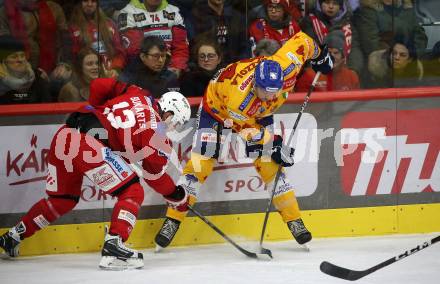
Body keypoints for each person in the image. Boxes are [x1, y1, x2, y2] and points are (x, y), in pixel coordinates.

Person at [154, 31, 334, 250]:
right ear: (254, 84)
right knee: (201, 163)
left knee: (270, 166)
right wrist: (275, 144)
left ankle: (294, 219)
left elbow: (304, 41)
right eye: (264, 92)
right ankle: (173, 219)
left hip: (258, 114)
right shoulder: (238, 100)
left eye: (274, 92)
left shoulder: (285, 66)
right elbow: (247, 129)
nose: (270, 97)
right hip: (218, 109)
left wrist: (321, 56)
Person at [0, 77, 192, 270]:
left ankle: (13, 237)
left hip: (66, 134)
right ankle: (113, 247)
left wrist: (99, 116)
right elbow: (155, 176)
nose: (173, 128)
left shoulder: (139, 93)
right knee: (132, 191)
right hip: (88, 146)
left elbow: (98, 84)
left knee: (62, 199)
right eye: (176, 123)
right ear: (169, 113)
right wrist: (176, 196)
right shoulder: (158, 133)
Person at [116, 0, 189, 77]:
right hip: (141, 70)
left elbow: (180, 47)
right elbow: (135, 51)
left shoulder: (174, 11)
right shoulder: (128, 12)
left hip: (169, 69)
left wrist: (177, 67)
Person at [301, 0, 364, 76]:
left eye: (335, 4)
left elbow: (355, 49)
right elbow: (310, 49)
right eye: (327, 2)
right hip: (318, 71)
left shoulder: (348, 23)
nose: (331, 6)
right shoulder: (309, 22)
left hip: (343, 70)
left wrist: (354, 69)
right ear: (320, 4)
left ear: (340, 7)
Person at [68, 0, 126, 78]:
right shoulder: (73, 27)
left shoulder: (110, 24)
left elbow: (120, 52)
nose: (89, 4)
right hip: (86, 74)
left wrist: (116, 69)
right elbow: (74, 57)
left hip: (111, 71)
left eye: (93, 1)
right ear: (80, 3)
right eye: (85, 1)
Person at [189, 0, 250, 65]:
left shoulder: (237, 17)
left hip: (234, 68)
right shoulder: (196, 17)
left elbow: (245, 47)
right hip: (207, 69)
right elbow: (194, 49)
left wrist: (237, 66)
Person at [0, 34, 52, 104]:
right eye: (14, 57)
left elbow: (47, 106)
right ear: (4, 61)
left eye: (22, 55)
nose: (20, 60)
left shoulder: (37, 76)